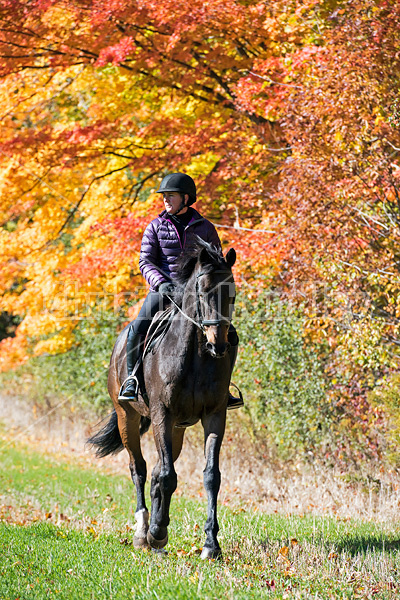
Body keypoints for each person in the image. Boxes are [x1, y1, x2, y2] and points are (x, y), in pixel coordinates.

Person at [118, 172, 243, 409]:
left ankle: (223, 388)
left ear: (186, 198)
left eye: (171, 196)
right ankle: (132, 380)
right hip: (164, 290)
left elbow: (215, 262)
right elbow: (145, 261)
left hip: (198, 295)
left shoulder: (205, 227)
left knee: (230, 334)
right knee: (137, 328)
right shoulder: (155, 227)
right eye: (164, 196)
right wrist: (160, 282)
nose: (166, 200)